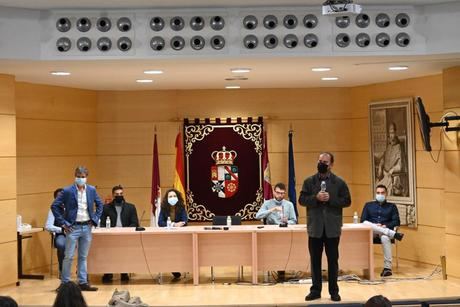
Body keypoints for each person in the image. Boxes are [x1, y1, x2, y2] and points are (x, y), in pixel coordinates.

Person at [299, 152, 351, 302]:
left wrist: (331, 199)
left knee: (333, 261)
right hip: (315, 228)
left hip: (332, 228)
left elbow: (347, 201)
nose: (322, 163)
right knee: (315, 260)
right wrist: (315, 198)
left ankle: (334, 291)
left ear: (331, 165)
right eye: (320, 161)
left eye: (325, 162)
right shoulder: (309, 181)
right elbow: (302, 199)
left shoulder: (339, 182)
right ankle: (315, 290)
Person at [51, 166, 103, 292]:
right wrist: (63, 223)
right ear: (75, 177)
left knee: (83, 256)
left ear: (87, 177)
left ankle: (83, 282)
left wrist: (94, 219)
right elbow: (55, 206)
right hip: (72, 227)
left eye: (83, 177)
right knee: (68, 256)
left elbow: (100, 204)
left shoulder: (91, 190)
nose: (81, 179)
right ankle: (65, 284)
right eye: (78, 177)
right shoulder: (67, 190)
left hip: (87, 226)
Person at [256, 182, 297, 282]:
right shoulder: (267, 203)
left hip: (284, 233)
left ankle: (282, 269)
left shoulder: (289, 204)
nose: (280, 195)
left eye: (282, 193)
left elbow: (294, 221)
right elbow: (258, 216)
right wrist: (271, 210)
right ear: (274, 192)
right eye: (278, 193)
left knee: (285, 248)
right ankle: (270, 267)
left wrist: (288, 222)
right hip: (271, 234)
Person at [361, 184, 404, 277]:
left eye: (382, 193)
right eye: (378, 193)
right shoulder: (368, 205)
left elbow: (396, 221)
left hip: (384, 230)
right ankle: (393, 234)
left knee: (385, 237)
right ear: (375, 194)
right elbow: (362, 221)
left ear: (386, 194)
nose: (380, 194)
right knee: (366, 223)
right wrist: (375, 225)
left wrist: (385, 225)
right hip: (370, 232)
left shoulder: (392, 207)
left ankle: (387, 268)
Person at [100, 184, 140, 283]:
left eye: (121, 193)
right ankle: (108, 272)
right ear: (113, 195)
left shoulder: (130, 207)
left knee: (124, 250)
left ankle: (124, 272)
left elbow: (135, 223)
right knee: (108, 251)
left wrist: (126, 231)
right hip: (110, 235)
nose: (119, 195)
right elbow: (102, 224)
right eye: (117, 194)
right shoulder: (106, 208)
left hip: (125, 235)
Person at [158, 188, 187, 279]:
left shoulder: (181, 207)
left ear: (178, 197)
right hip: (167, 235)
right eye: (170, 196)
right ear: (167, 198)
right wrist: (174, 224)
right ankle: (173, 268)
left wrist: (180, 224)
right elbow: (160, 222)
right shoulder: (164, 208)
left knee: (179, 251)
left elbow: (185, 220)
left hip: (180, 235)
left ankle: (181, 266)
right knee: (169, 251)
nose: (172, 198)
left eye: (174, 196)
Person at [376, 122, 405, 196]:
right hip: (385, 176)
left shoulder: (399, 147)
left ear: (395, 132)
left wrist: (391, 171)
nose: (391, 135)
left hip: (393, 177)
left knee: (382, 192)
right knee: (377, 188)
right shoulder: (388, 146)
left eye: (392, 133)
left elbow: (400, 166)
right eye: (390, 133)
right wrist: (380, 166)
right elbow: (383, 159)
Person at [45, 188, 65, 276]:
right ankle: (62, 269)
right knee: (61, 244)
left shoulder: (73, 207)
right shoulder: (53, 210)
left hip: (75, 233)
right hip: (61, 234)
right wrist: (61, 229)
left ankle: (82, 271)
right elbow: (48, 226)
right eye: (58, 197)